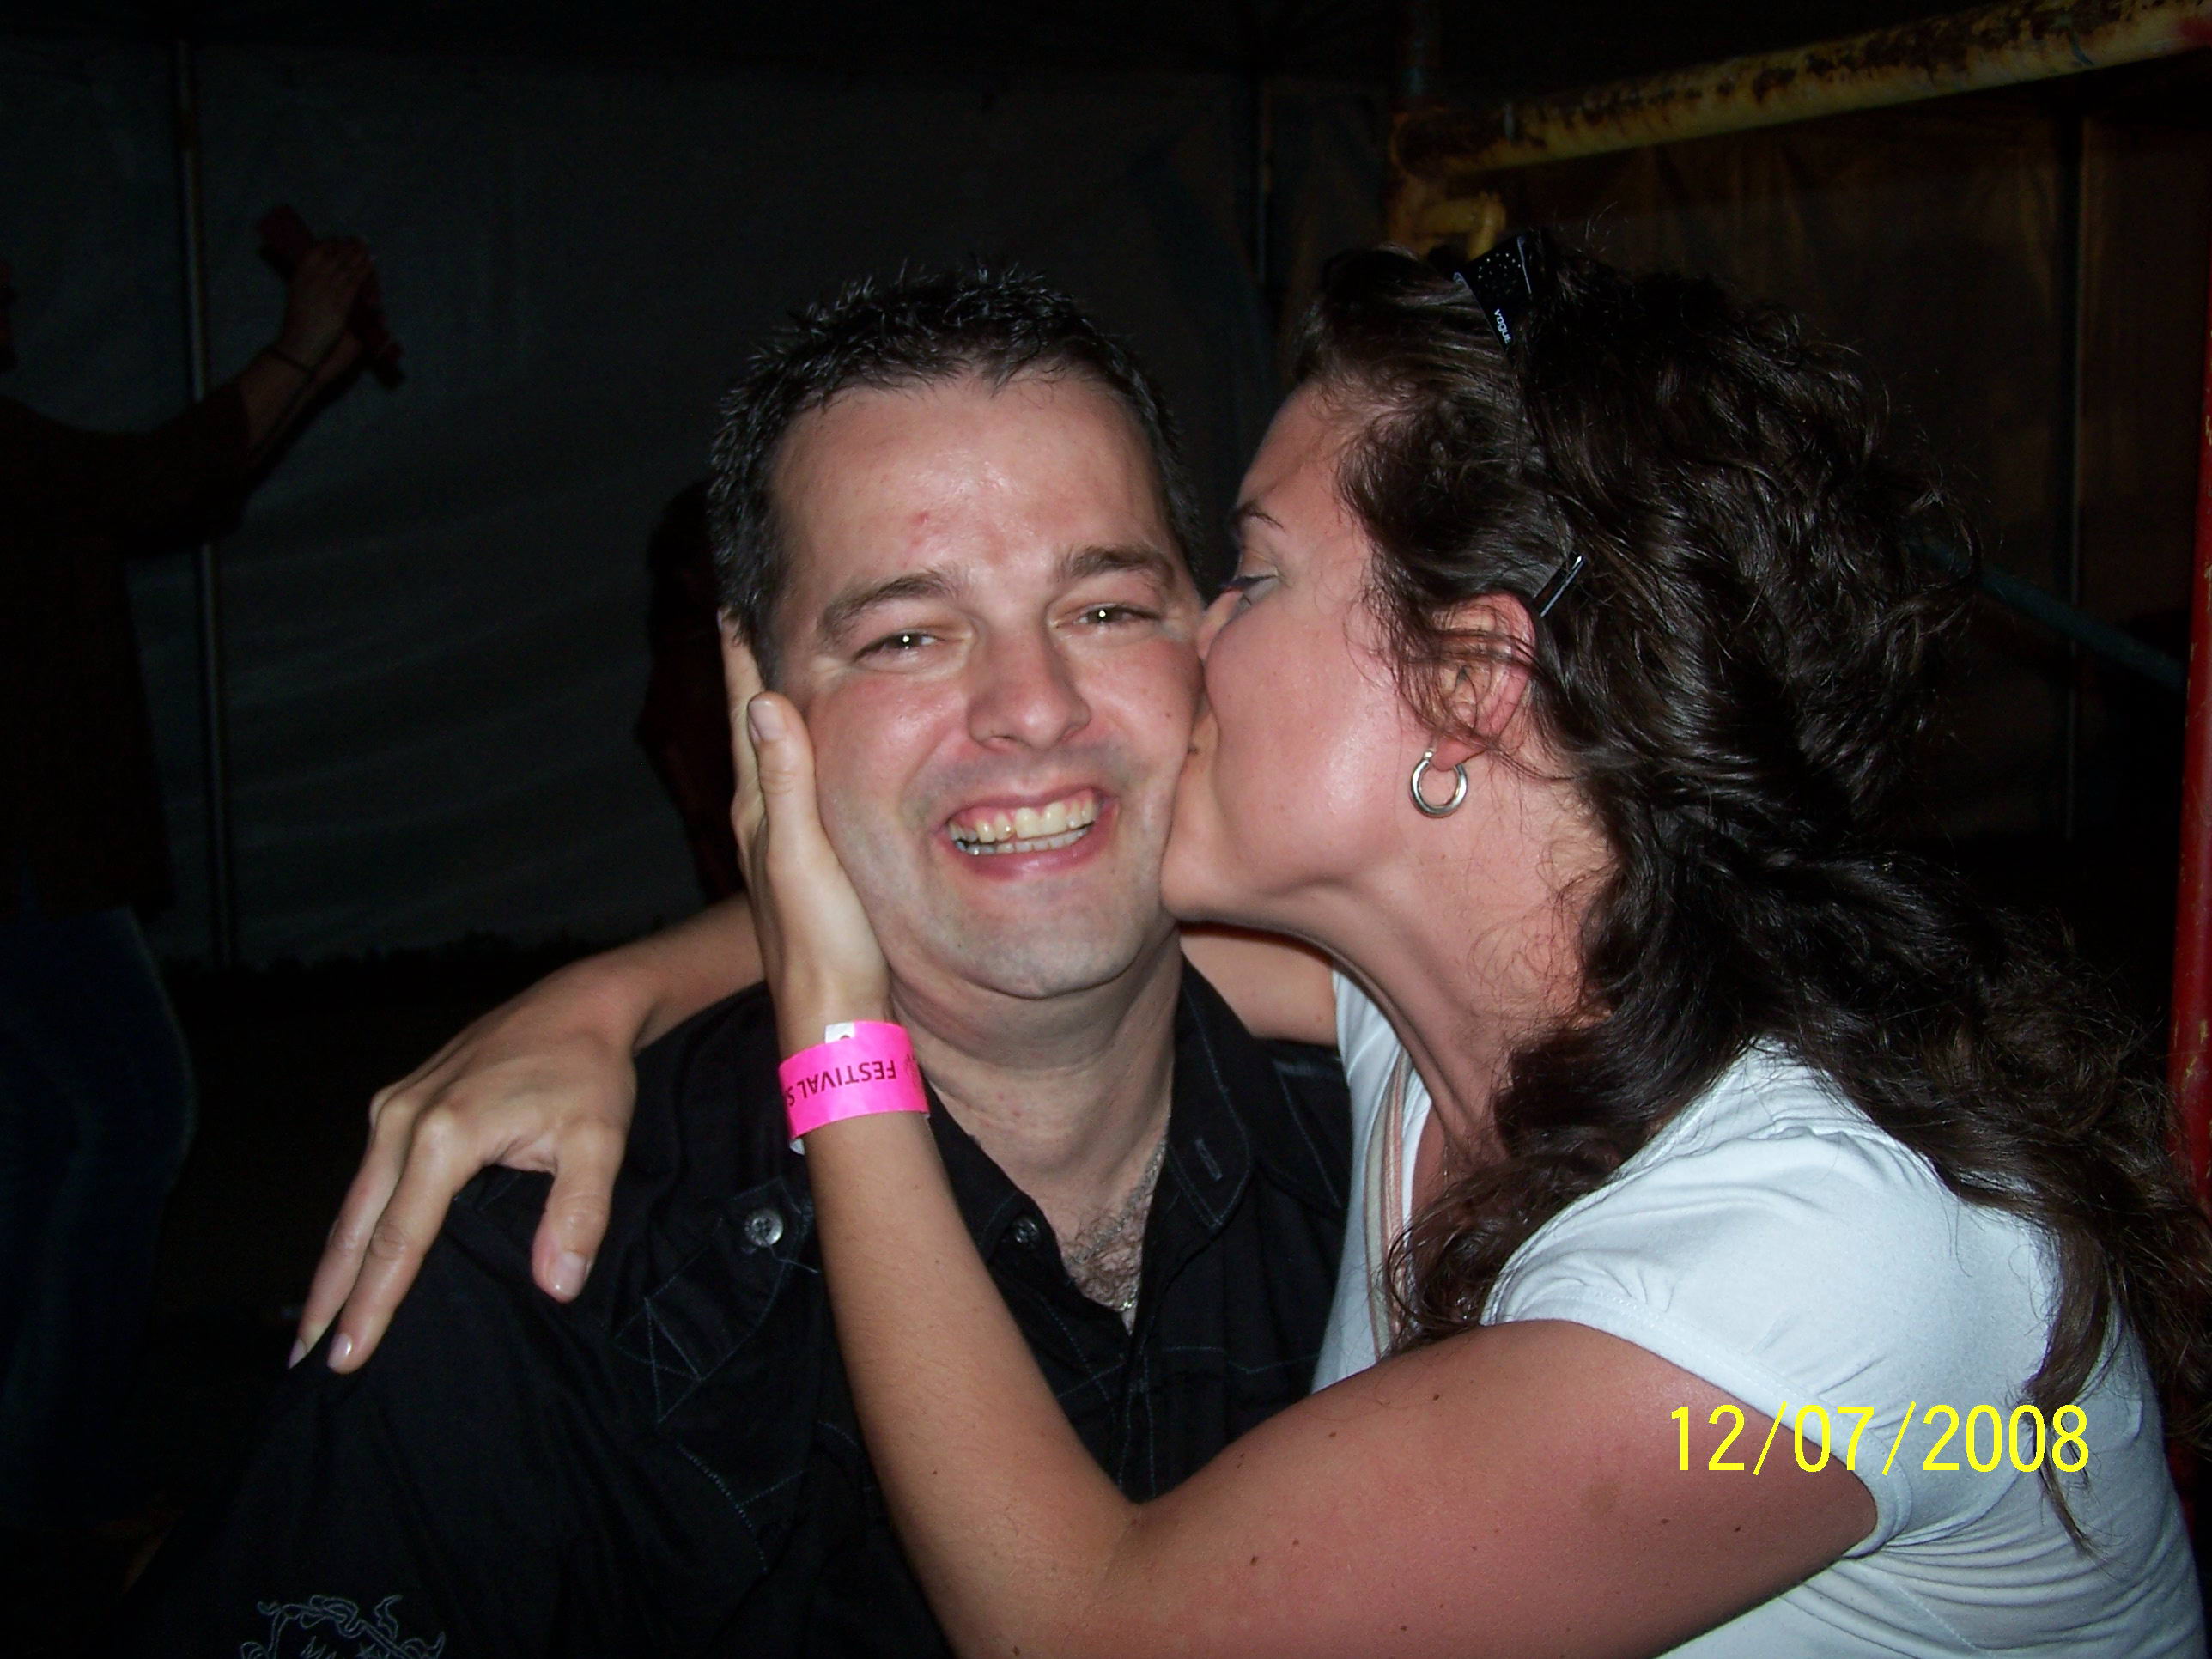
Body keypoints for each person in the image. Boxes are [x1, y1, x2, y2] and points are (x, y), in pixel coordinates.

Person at [325, 239, 2212, 1654]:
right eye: (906, 633)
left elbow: (1087, 1631)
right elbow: (991, 922)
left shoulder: (1840, 1264)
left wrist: (827, 1022)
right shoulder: (1430, 1016)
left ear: (1468, 684)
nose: (1152, 667)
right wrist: (610, 992)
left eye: (1233, 576)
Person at [116, 267, 1352, 1656]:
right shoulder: (544, 1274)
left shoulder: (1418, 1151)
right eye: (907, 636)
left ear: (1210, 641)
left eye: (1106, 609)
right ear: (755, 700)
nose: (1032, 708)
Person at [0, 236, 374, 1556]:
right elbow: (148, 482)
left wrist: (314, 368)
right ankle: (58, 1487)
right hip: (22, 857)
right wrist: (301, 343)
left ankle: (39, 1467)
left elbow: (166, 497)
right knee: (128, 1114)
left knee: (47, 1137)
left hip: (32, 853)